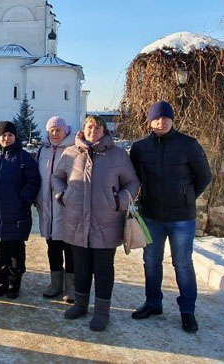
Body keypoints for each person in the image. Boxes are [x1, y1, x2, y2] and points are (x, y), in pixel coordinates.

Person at [129, 100, 212, 333]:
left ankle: (187, 311)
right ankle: (153, 303)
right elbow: (133, 177)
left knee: (182, 264)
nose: (161, 122)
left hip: (181, 218)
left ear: (172, 120)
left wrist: (187, 196)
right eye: (157, 118)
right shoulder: (140, 147)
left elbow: (204, 176)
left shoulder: (188, 144)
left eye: (166, 118)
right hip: (152, 215)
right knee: (152, 261)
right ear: (150, 120)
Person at [51, 115, 140, 332]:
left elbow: (132, 182)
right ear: (83, 129)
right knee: (80, 267)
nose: (94, 130)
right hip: (76, 221)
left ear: (104, 131)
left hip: (106, 221)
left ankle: (102, 312)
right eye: (90, 126)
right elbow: (57, 177)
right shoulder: (71, 153)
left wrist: (119, 201)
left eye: (98, 127)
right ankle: (80, 305)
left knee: (103, 269)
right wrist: (63, 195)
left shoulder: (117, 155)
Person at [0, 121, 41, 298]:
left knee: (15, 250)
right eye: (3, 135)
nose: (6, 138)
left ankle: (15, 282)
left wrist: (23, 198)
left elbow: (34, 181)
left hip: (16, 213)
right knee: (0, 249)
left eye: (10, 135)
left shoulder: (24, 157)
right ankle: (2, 280)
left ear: (15, 137)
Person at [36, 116, 77, 302]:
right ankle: (55, 283)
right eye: (52, 130)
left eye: (58, 130)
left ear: (65, 131)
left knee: (69, 247)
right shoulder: (42, 150)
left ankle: (71, 287)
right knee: (52, 247)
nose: (55, 133)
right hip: (47, 207)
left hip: (67, 206)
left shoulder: (74, 149)